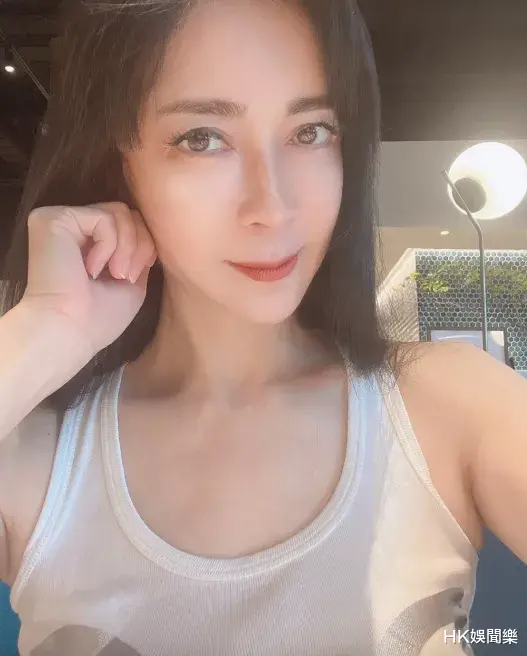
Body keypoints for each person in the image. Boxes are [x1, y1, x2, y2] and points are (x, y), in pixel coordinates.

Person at [0, 0, 526, 654]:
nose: (272, 207)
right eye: (202, 138)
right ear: (118, 161)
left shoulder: (449, 404)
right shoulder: (39, 458)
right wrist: (47, 329)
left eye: (311, 131)